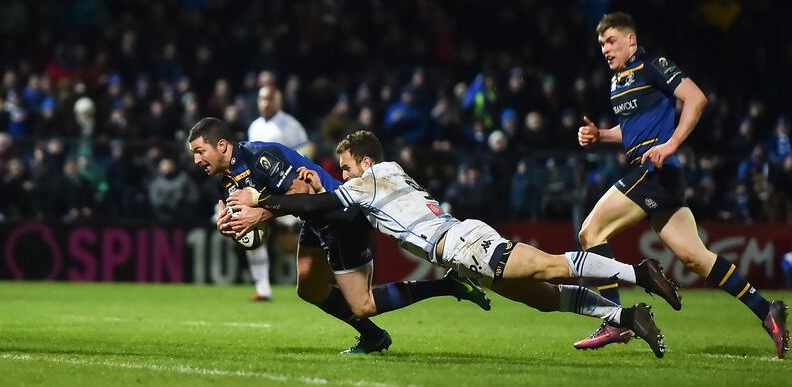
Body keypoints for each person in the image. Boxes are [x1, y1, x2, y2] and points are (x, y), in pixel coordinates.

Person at [230, 130, 681, 359]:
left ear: (364, 161)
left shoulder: (372, 177)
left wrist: (262, 199)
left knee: (550, 267)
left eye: (346, 166)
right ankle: (625, 316)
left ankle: (639, 273)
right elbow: (330, 207)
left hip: (461, 242)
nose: (343, 172)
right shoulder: (376, 182)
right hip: (459, 252)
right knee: (541, 297)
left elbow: (325, 202)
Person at [574, 12, 788, 358]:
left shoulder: (653, 65)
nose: (605, 49)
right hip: (660, 177)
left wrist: (671, 144)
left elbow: (696, 98)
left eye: (611, 41)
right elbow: (630, 133)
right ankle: (767, 311)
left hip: (655, 171)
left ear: (632, 40)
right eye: (601, 44)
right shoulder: (617, 81)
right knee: (695, 258)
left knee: (590, 233)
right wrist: (601, 135)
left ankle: (615, 319)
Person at [188, 118, 491, 354]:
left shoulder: (260, 157)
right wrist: (233, 227)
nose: (196, 160)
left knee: (363, 304)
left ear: (223, 145)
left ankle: (447, 284)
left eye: (200, 151)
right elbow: (258, 228)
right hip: (313, 219)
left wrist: (261, 213)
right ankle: (373, 336)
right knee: (309, 288)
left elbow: (304, 191)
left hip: (340, 217)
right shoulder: (229, 182)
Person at [244, 83, 314, 301]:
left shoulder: (289, 124)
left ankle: (318, 279)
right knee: (251, 232)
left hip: (287, 189)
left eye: (269, 99)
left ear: (278, 101)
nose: (265, 104)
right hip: (261, 189)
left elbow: (307, 149)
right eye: (262, 99)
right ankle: (263, 288)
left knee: (299, 236)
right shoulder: (254, 126)